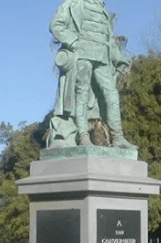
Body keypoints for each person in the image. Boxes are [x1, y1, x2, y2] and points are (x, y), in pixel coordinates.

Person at [49, 0, 136, 150]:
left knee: (112, 94)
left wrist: (118, 58)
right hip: (83, 55)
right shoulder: (73, 3)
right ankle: (83, 136)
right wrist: (74, 42)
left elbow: (108, 38)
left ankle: (118, 137)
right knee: (81, 93)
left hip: (102, 58)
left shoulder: (101, 7)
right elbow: (56, 25)